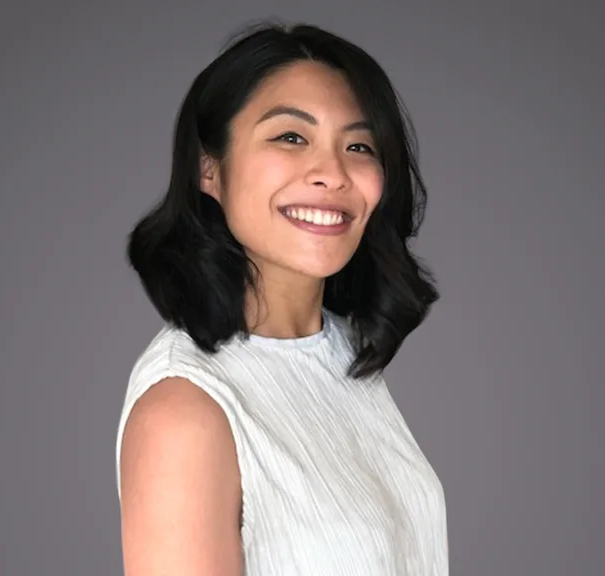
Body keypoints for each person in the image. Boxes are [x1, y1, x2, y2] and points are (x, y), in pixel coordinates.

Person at [115, 21, 448, 576]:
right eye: (290, 137)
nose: (332, 174)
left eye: (359, 146)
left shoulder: (345, 357)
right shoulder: (184, 411)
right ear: (209, 168)